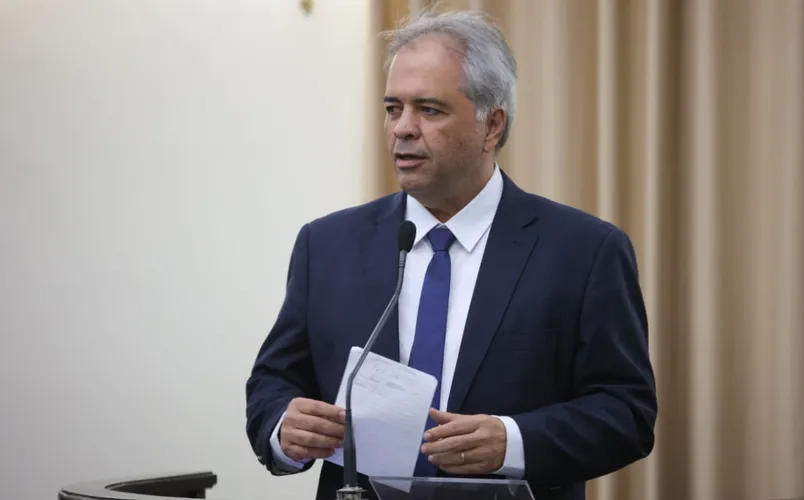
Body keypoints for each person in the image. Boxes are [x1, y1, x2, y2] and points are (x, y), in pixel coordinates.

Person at [245, 9, 656, 500]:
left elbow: (626, 413)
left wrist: (513, 442)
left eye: (429, 110)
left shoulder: (584, 251)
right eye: (393, 108)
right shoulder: (327, 244)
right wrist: (284, 429)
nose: (403, 128)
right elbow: (273, 382)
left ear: (492, 125)